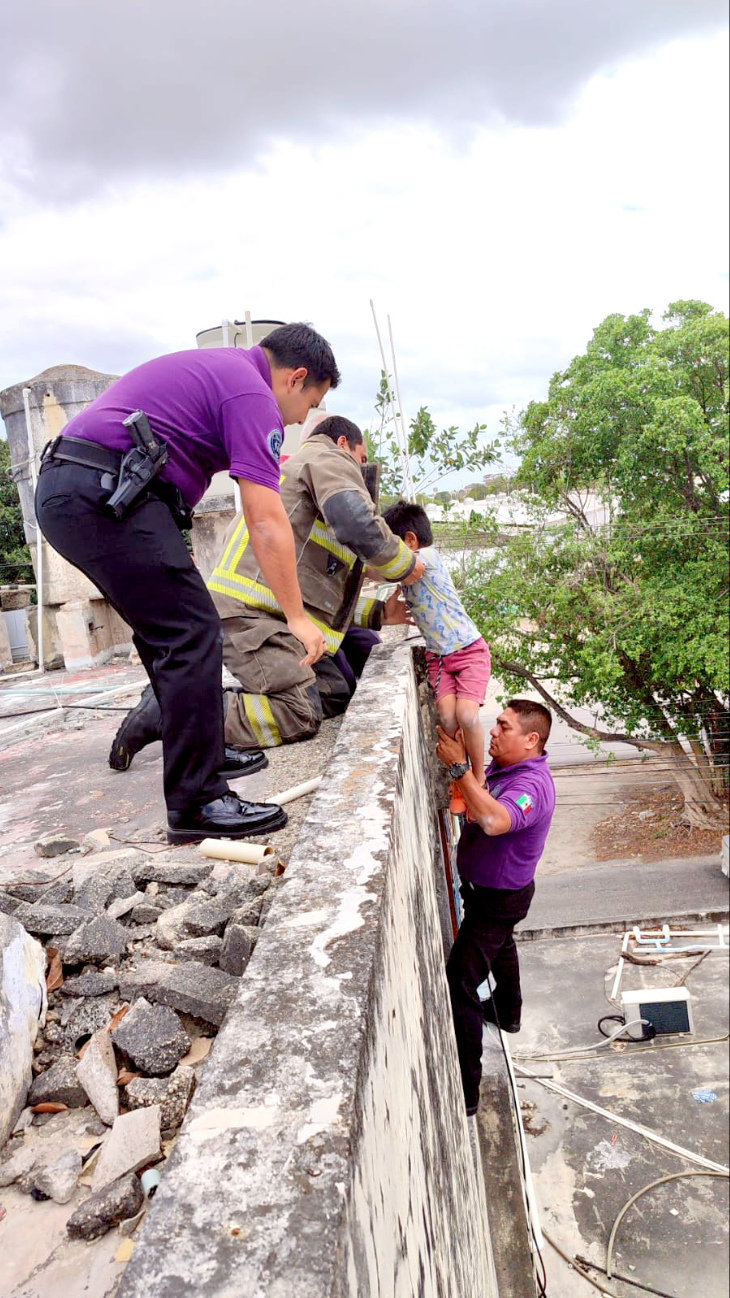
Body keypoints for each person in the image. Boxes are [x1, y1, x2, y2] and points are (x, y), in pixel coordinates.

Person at [35, 323, 339, 844]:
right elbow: (265, 520)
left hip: (87, 490)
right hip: (100, 491)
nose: (304, 418)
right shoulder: (252, 393)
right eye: (313, 402)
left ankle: (205, 752)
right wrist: (296, 617)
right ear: (296, 377)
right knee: (192, 631)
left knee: (170, 629)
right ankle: (199, 800)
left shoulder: (224, 374)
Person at [109, 415, 424, 760]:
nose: (360, 470)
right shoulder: (327, 457)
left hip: (268, 615)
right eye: (361, 459)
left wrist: (381, 613)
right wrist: (407, 566)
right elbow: (357, 523)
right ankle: (176, 713)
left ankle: (210, 701)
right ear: (344, 443)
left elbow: (318, 596)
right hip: (250, 615)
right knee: (301, 711)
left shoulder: (304, 480)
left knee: (334, 691)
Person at [436, 699, 556, 1116]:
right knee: (502, 947)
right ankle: (508, 1014)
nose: (492, 732)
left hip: (498, 900)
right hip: (489, 892)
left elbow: (495, 821)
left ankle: (467, 1094)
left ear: (531, 739)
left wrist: (458, 770)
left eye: (503, 727)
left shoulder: (532, 787)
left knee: (460, 980)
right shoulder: (510, 770)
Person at [381, 501, 491, 810]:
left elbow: (388, 572)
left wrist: (367, 565)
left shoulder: (426, 558)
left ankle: (478, 780)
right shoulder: (407, 574)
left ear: (411, 542)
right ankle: (460, 781)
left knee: (467, 716)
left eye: (391, 547)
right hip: (440, 658)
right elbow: (390, 601)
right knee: (446, 718)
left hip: (469, 651)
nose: (389, 556)